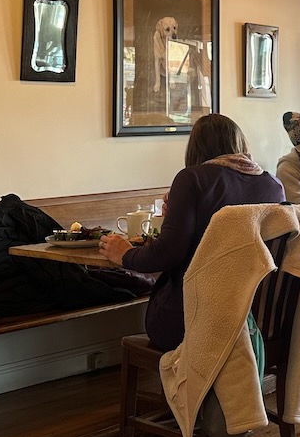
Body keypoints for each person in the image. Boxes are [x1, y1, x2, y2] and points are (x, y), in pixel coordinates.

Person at [98, 113, 284, 352]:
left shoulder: (192, 179)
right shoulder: (274, 185)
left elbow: (167, 254)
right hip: (257, 319)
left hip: (193, 321)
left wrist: (125, 254)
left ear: (195, 148)